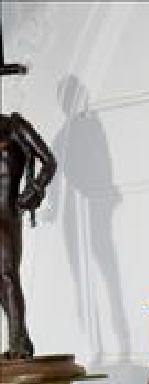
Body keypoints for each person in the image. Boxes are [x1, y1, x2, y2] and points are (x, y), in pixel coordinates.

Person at [0, 35, 56, 359]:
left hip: (7, 211)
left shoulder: (13, 126)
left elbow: (48, 161)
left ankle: (18, 345)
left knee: (8, 274)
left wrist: (31, 193)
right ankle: (21, 338)